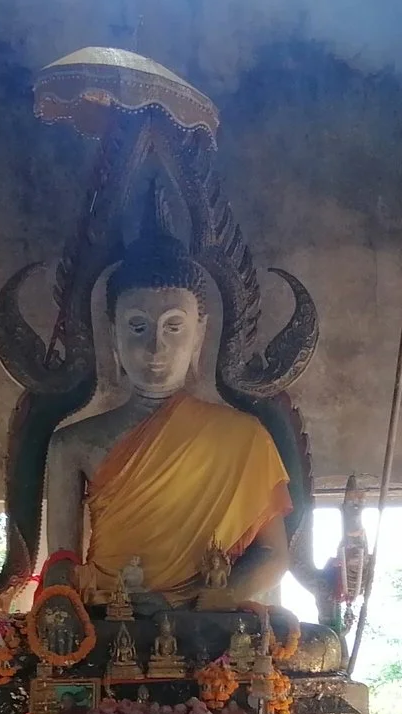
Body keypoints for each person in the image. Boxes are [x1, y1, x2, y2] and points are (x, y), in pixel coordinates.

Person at [36, 235, 292, 608]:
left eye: (173, 327)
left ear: (199, 334)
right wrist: (60, 595)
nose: (156, 347)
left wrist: (207, 602)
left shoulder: (245, 437)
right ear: (113, 335)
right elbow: (62, 559)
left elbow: (274, 555)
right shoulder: (71, 444)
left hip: (202, 621)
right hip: (110, 614)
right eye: (138, 326)